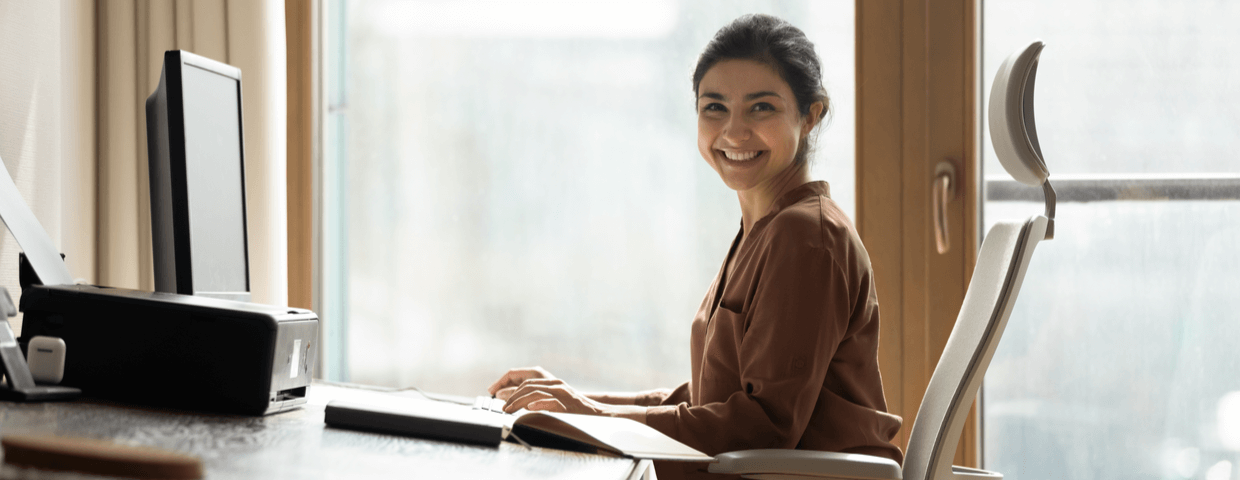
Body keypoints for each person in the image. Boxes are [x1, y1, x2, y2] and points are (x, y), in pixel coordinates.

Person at [487, 13, 903, 479]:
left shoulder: (807, 239)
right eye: (715, 108)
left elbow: (762, 425)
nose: (734, 132)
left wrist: (592, 418)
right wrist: (576, 403)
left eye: (761, 108)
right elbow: (712, 400)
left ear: (810, 116)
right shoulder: (765, 229)